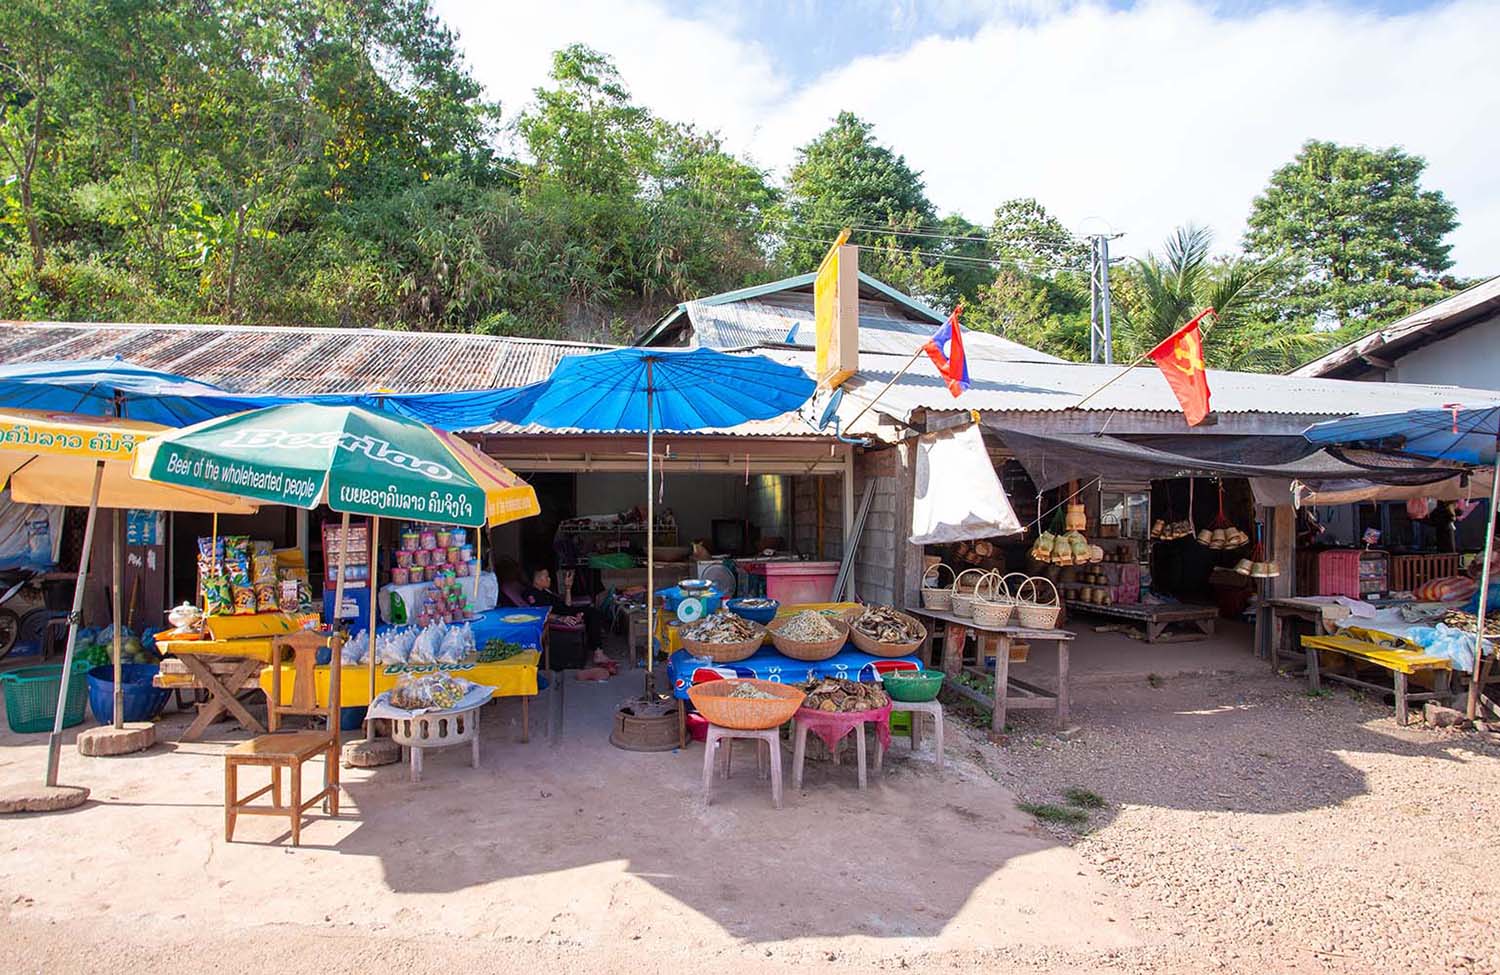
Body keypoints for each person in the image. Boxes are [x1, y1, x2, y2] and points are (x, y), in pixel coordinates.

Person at [509, 566, 613, 670]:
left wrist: (568, 588)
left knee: (594, 612)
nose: (549, 579)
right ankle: (598, 652)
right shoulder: (532, 594)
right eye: (546, 577)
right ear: (537, 580)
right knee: (594, 614)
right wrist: (561, 618)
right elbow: (538, 614)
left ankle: (595, 647)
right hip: (559, 618)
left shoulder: (545, 591)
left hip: (567, 612)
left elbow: (567, 606)